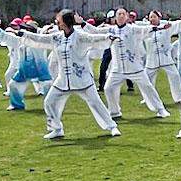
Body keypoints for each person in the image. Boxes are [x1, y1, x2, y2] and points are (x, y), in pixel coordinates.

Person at [19, 10, 122, 139]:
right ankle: (56, 129)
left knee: (96, 103)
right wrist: (23, 34)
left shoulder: (80, 37)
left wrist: (108, 38)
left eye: (59, 20)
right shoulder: (57, 37)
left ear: (65, 22)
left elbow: (93, 39)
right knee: (49, 102)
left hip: (82, 80)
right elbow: (40, 39)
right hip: (63, 81)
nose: (57, 22)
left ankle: (112, 126)